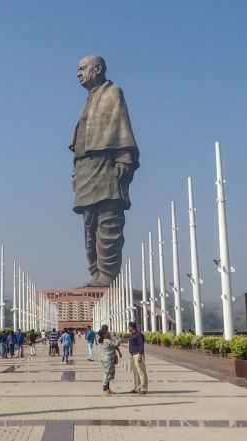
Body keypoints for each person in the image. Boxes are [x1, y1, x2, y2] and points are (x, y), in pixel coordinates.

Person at [69, 55, 140, 288]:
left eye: (82, 68)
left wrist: (124, 157)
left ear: (97, 68)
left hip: (107, 164)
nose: (78, 73)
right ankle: (96, 273)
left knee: (109, 222)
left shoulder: (112, 92)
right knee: (89, 227)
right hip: (86, 169)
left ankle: (107, 275)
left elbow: (121, 125)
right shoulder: (88, 100)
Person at [98, 325, 121, 396]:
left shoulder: (105, 340)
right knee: (107, 373)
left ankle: (107, 388)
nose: (109, 333)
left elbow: (114, 346)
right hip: (107, 359)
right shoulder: (107, 341)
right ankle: (104, 388)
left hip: (108, 358)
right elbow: (117, 344)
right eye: (107, 332)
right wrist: (117, 337)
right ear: (105, 334)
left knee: (109, 373)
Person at [127, 322, 148, 394]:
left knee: (141, 372)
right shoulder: (131, 335)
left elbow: (141, 345)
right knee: (136, 373)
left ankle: (143, 388)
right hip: (132, 355)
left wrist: (140, 355)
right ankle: (137, 388)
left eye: (128, 327)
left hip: (138, 355)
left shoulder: (139, 334)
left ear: (132, 327)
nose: (128, 328)